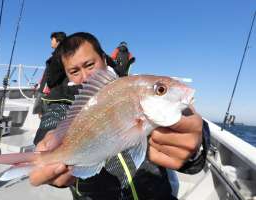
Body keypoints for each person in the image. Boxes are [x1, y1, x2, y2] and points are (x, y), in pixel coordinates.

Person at [30, 32, 210, 200]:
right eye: (74, 71)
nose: (85, 77)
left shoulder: (133, 87)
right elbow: (51, 123)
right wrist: (47, 144)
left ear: (103, 58)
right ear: (66, 73)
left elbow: (190, 132)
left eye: (89, 65)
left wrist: (196, 145)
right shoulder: (62, 102)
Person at [32, 31, 67, 116]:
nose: (51, 42)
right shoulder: (56, 56)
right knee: (41, 114)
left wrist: (48, 89)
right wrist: (39, 82)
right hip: (46, 90)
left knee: (45, 116)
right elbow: (48, 73)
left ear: (58, 41)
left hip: (49, 93)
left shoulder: (59, 57)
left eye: (52, 40)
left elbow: (53, 77)